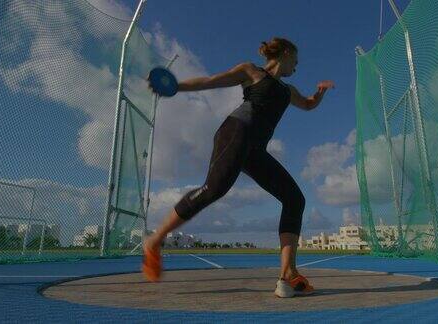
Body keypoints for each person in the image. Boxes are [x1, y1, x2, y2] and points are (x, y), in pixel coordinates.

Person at [143, 37, 334, 298]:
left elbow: (308, 104)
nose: (297, 68)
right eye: (296, 62)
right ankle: (155, 240)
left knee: (294, 199)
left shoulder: (287, 90)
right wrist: (178, 86)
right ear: (286, 53)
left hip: (256, 149)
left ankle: (288, 275)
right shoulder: (251, 71)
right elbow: (212, 81)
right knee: (214, 189)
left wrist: (320, 93)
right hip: (236, 131)